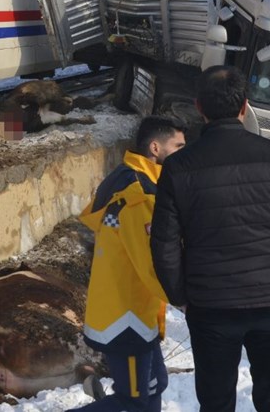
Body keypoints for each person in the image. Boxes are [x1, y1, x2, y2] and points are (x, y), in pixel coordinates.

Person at [150, 66, 270, 412]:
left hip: (210, 307)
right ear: (244, 106)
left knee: (215, 402)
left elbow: (164, 244)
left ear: (199, 107)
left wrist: (180, 296)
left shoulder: (179, 167)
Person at [71, 116, 187, 412]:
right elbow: (151, 262)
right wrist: (184, 298)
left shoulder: (125, 177)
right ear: (155, 148)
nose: (184, 153)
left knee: (156, 384)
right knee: (133, 400)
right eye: (179, 146)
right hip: (127, 321)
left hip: (131, 312)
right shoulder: (139, 196)